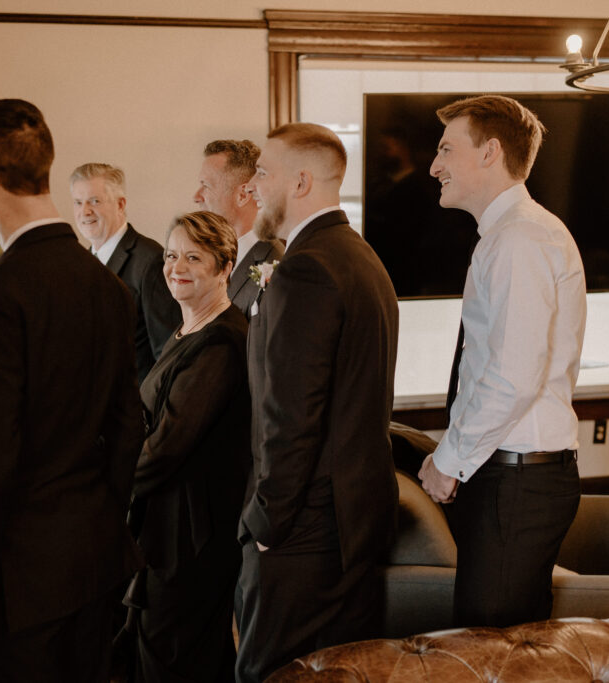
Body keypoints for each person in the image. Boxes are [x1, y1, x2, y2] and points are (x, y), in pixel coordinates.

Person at [0, 99, 143, 682]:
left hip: (17, 578)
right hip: (96, 561)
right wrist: (97, 524)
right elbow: (128, 425)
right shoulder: (108, 287)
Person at [236, 122, 400, 683]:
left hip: (302, 524)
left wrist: (267, 521)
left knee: (270, 673)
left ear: (300, 181)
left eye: (262, 172)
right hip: (352, 517)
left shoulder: (307, 267)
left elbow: (291, 417)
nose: (252, 186)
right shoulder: (360, 256)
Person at [417, 95, 586, 629]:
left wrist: (450, 459)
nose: (433, 166)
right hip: (508, 472)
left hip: (518, 480)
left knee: (491, 648)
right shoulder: (508, 235)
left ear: (490, 153)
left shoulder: (520, 239)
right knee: (507, 648)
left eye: (446, 149)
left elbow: (513, 377)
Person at [124, 210, 250, 682]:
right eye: (172, 255)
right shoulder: (187, 331)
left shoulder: (220, 342)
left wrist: (104, 481)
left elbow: (168, 446)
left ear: (224, 268)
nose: (176, 267)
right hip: (168, 524)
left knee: (173, 657)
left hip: (192, 534)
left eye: (193, 257)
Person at [70, 162, 181, 383]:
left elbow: (166, 353)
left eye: (95, 201)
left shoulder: (149, 261)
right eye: (78, 202)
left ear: (120, 204)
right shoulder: (79, 262)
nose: (85, 211)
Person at [194, 139, 284, 317]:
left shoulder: (274, 263)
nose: (196, 197)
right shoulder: (210, 257)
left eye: (206, 186)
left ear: (243, 195)